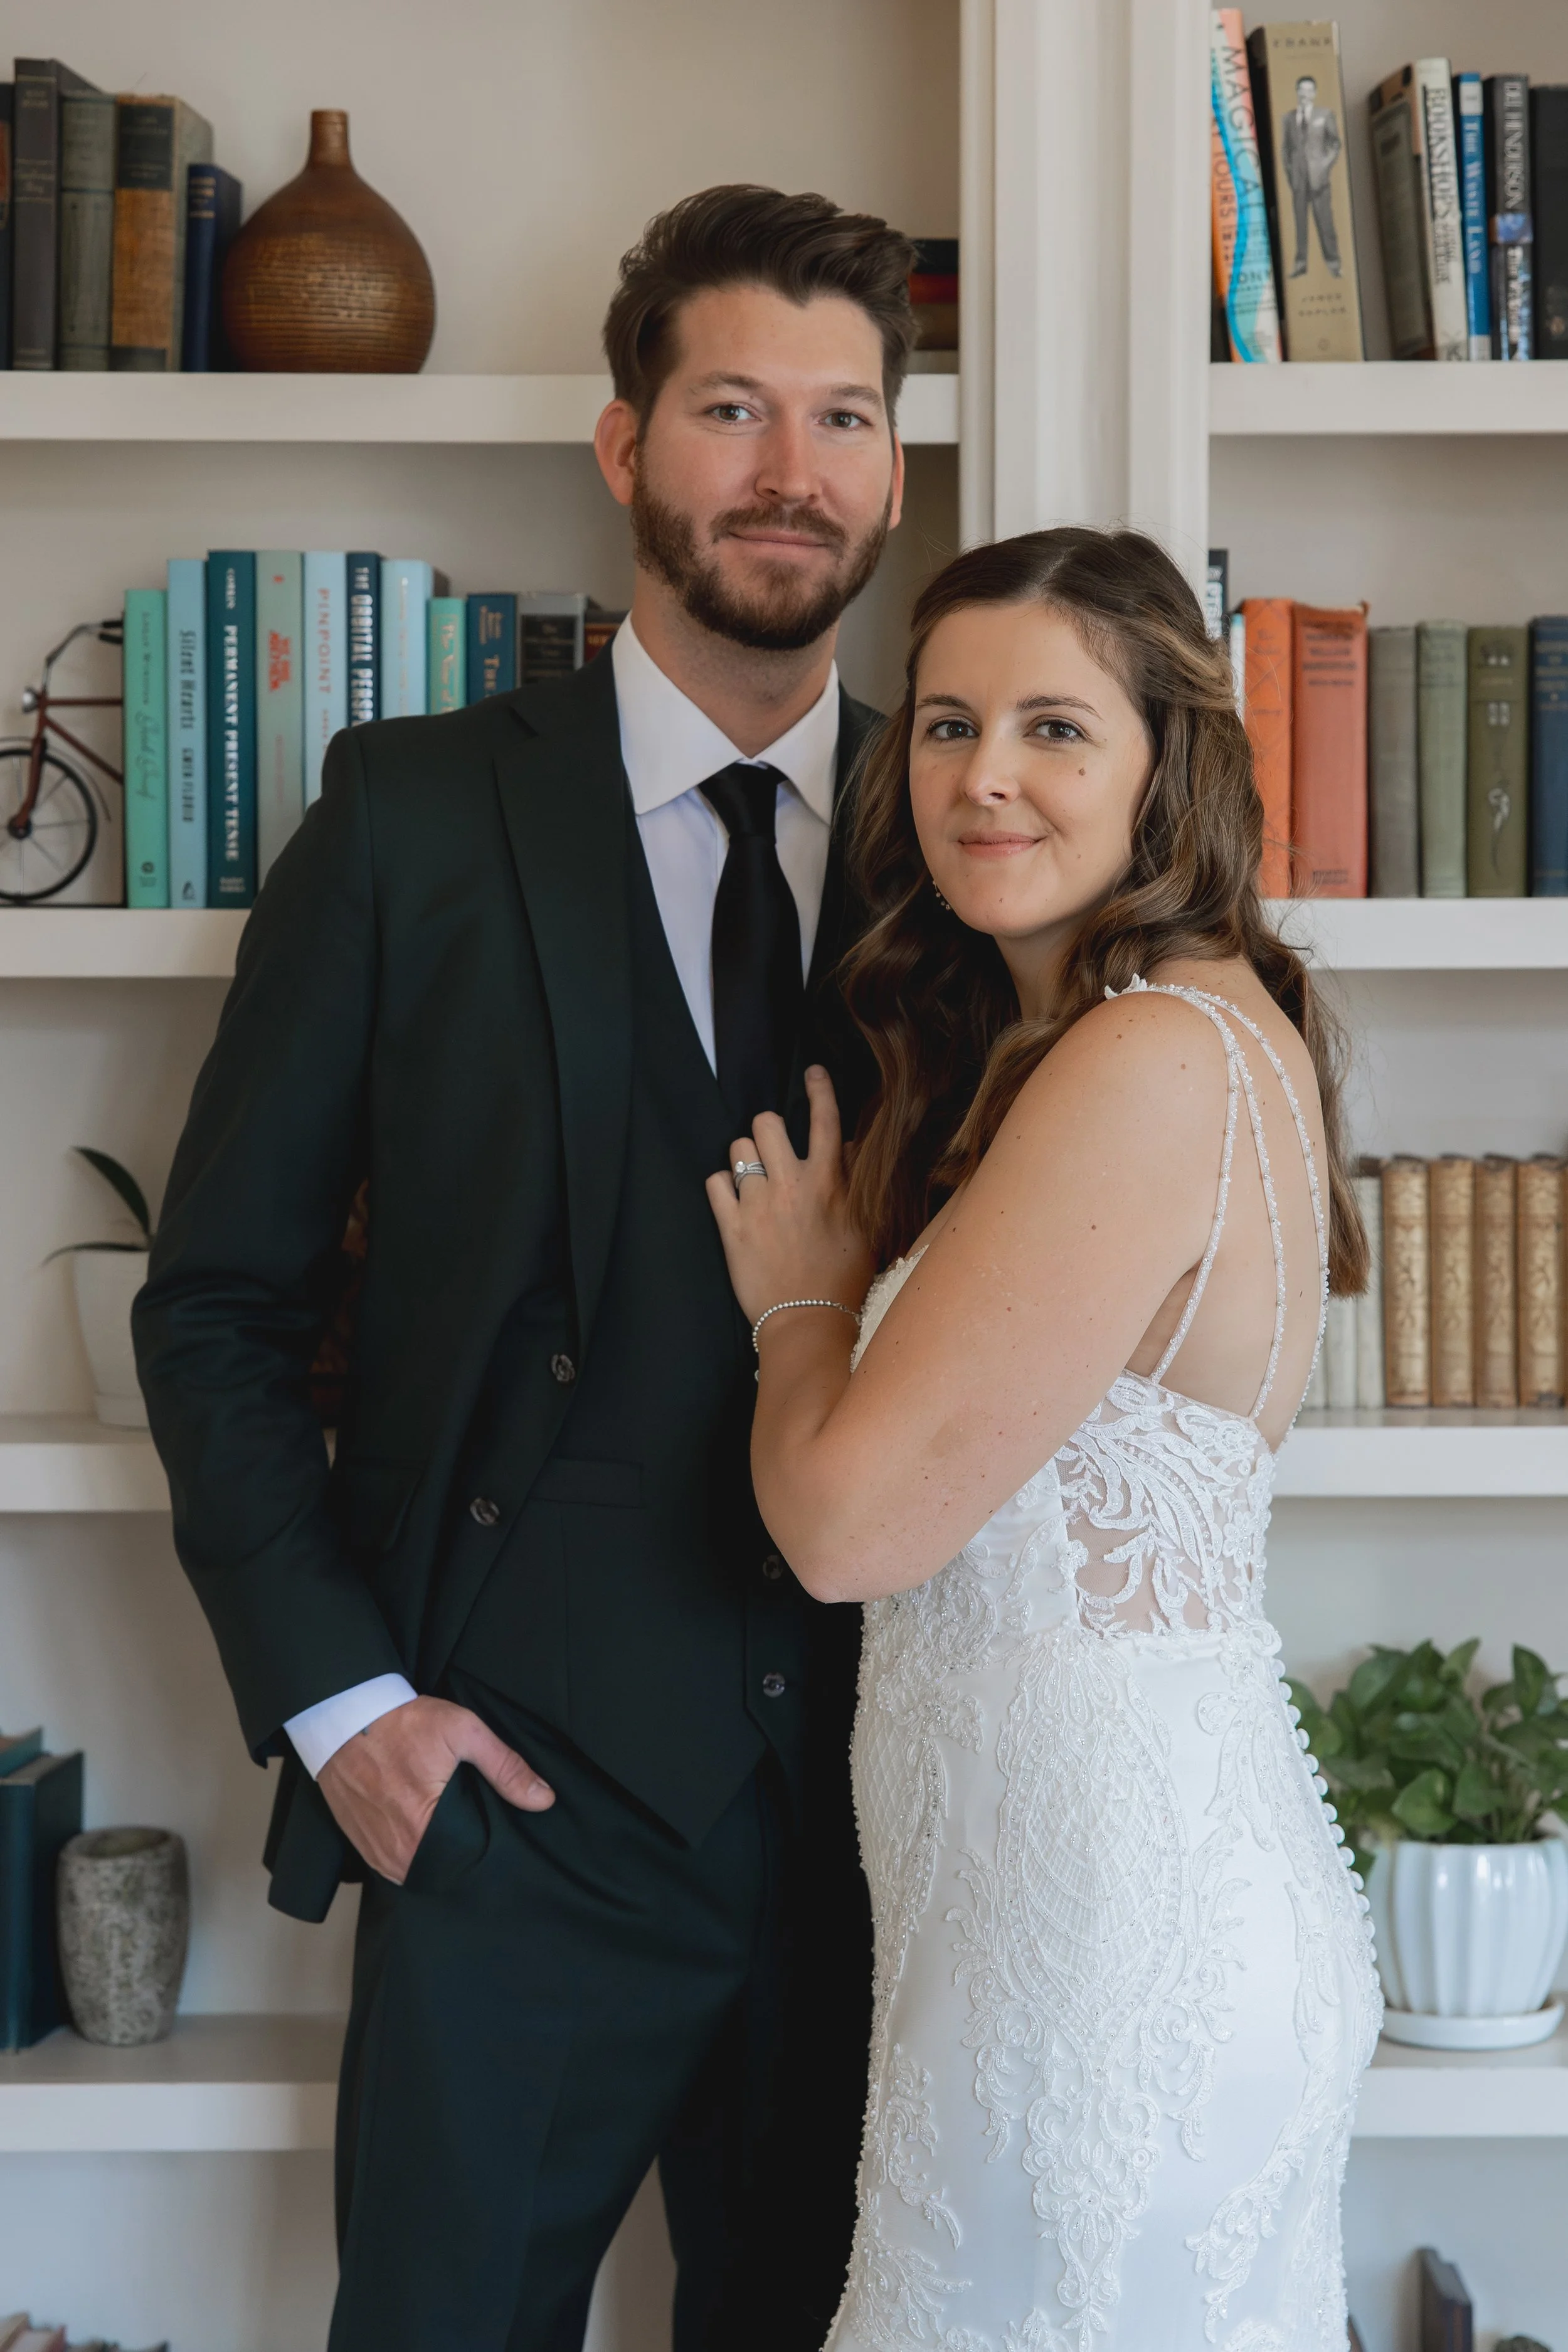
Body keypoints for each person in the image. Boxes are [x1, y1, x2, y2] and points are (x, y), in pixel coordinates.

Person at [132, 183, 914, 2352]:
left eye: (842, 417)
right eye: (734, 406)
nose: (791, 469)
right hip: (515, 1821)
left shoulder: (964, 848)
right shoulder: (404, 823)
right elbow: (212, 1311)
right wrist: (349, 1713)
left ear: (896, 474)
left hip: (895, 1823)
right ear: (623, 444)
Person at [706, 526, 1383, 2351]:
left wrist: (797, 1307)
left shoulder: (1145, 1054)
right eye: (938, 723)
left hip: (1100, 1966)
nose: (978, 773)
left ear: (1168, 762)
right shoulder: (1154, 1034)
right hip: (1064, 1919)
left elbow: (844, 1527)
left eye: (1049, 728)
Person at [1282, 72, 1343, 277]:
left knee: (1325, 222)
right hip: (1299, 180)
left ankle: (1334, 264)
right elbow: (1286, 150)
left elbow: (1335, 144)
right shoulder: (1289, 118)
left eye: (1310, 90)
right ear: (1297, 92)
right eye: (1302, 89)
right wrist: (1291, 175)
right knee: (1300, 224)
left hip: (1319, 178)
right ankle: (1300, 265)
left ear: (1315, 93)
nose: (1305, 94)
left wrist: (1325, 165)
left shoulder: (1325, 114)